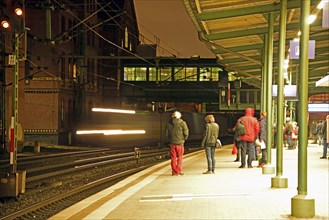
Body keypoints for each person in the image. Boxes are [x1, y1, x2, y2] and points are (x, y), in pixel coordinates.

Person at [165, 111, 189, 176]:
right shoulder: (182, 123)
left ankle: (174, 171)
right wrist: (183, 139)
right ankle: (178, 171)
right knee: (180, 157)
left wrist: (170, 139)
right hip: (180, 143)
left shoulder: (169, 123)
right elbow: (186, 133)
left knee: (173, 158)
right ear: (179, 116)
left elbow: (166, 134)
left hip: (172, 143)